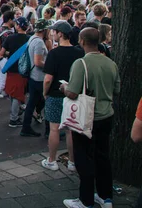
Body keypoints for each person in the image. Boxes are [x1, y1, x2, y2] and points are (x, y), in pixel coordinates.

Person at [61, 28, 120, 208]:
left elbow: (72, 93)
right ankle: (105, 196)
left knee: (83, 158)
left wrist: (64, 88)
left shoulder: (81, 63)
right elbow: (116, 90)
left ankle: (85, 200)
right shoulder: (111, 63)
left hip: (86, 117)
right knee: (103, 157)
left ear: (82, 41)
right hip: (106, 115)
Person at [41, 20, 82, 172]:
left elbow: (48, 79)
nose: (52, 33)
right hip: (73, 95)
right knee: (71, 129)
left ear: (60, 33)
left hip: (55, 94)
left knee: (54, 129)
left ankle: (52, 160)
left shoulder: (54, 53)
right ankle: (72, 161)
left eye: (54, 31)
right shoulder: (79, 52)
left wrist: (45, 93)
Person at [0, 17, 30, 125]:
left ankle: (14, 116)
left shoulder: (10, 38)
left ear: (17, 26)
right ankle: (14, 118)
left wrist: (10, 55)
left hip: (11, 68)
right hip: (24, 70)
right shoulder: (30, 39)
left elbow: (1, 53)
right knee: (18, 94)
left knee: (13, 93)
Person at [21, 19, 52, 137]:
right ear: (44, 30)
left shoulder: (32, 38)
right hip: (39, 77)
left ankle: (26, 126)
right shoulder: (39, 42)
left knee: (32, 102)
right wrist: (50, 65)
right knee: (47, 102)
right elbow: (38, 62)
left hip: (33, 76)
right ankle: (49, 130)